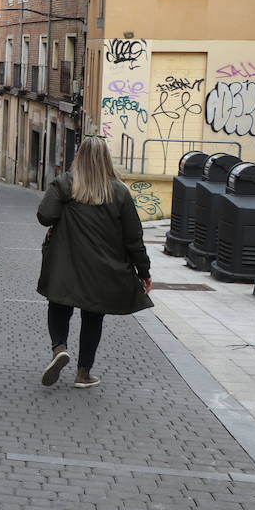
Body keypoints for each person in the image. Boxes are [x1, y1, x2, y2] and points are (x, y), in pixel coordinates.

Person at [36, 136, 153, 388]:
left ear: (79, 157)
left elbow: (45, 216)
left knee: (59, 306)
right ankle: (83, 373)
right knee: (93, 317)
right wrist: (144, 270)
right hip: (102, 268)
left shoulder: (66, 184)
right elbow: (134, 237)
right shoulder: (119, 191)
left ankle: (59, 349)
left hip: (65, 263)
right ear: (106, 159)